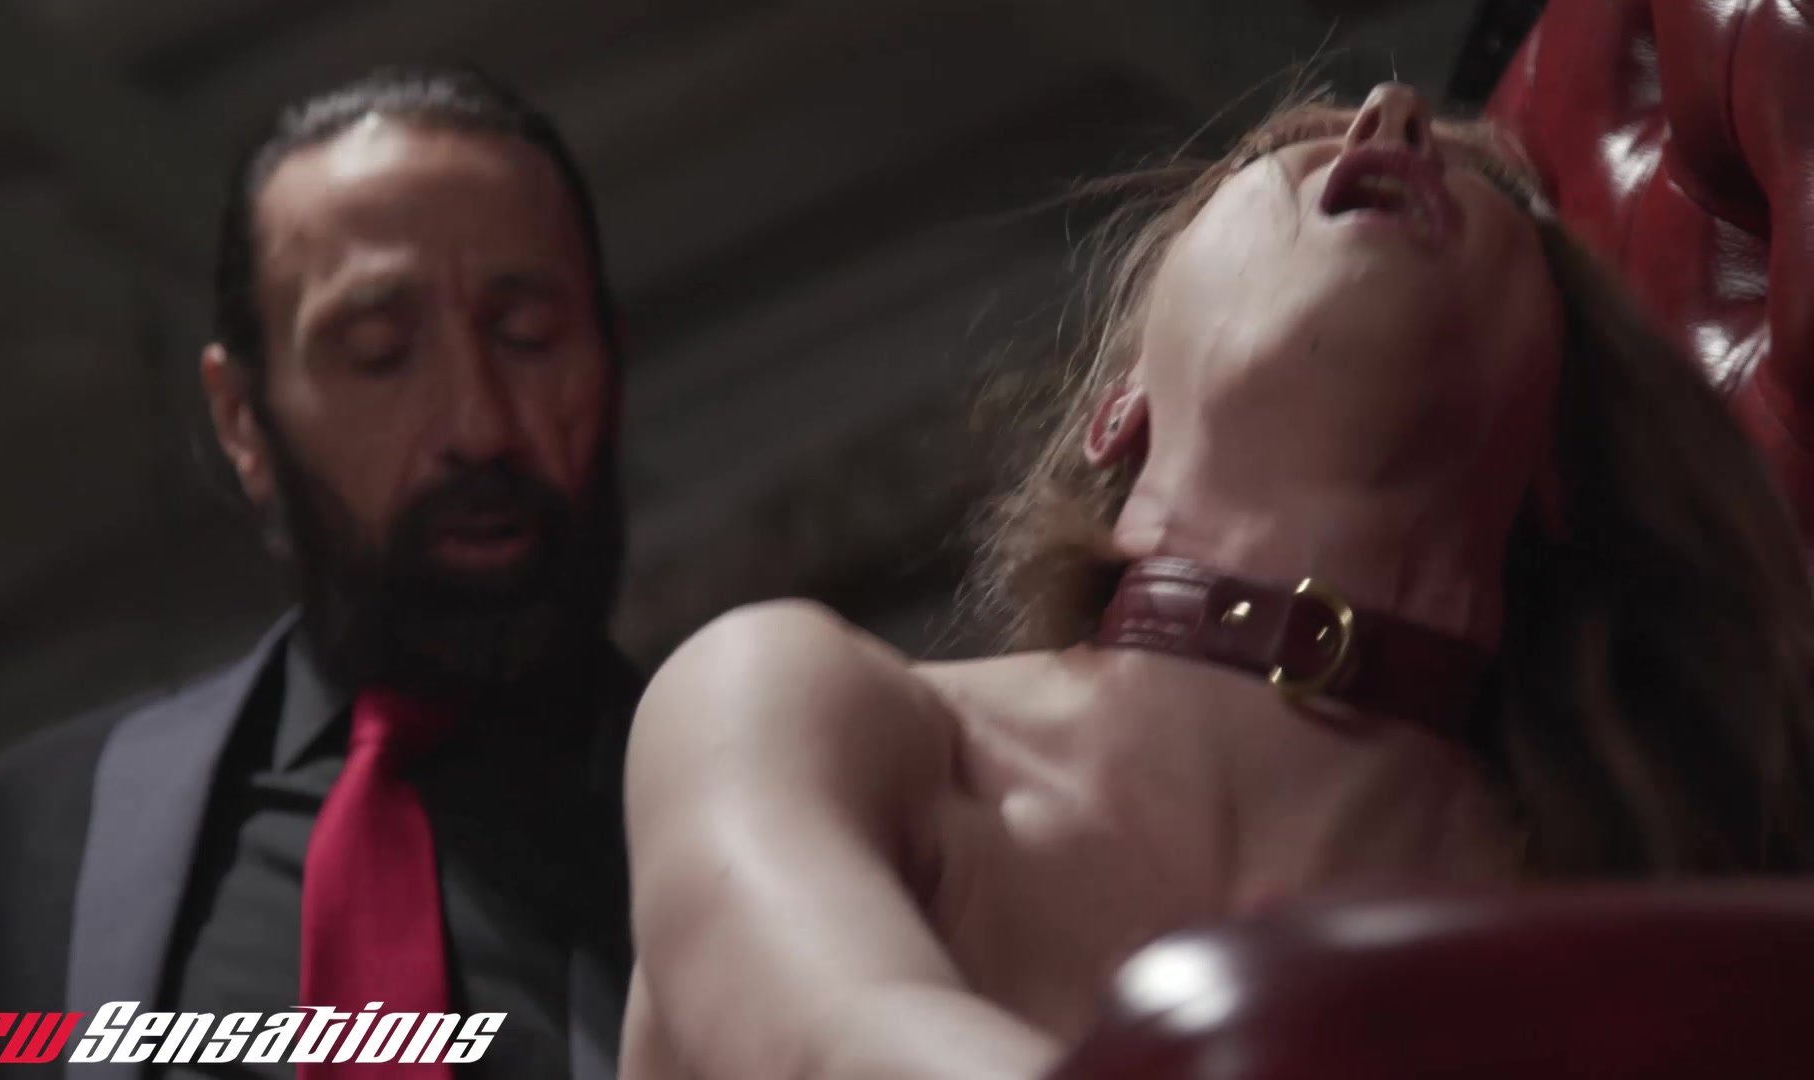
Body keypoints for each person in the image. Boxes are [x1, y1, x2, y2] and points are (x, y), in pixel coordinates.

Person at [620, 83, 1814, 1080]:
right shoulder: (794, 698)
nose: (1390, 113)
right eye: (1286, 149)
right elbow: (830, 1043)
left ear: (1553, 448)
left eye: (1492, 192)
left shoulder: (1610, 943)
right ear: (1118, 406)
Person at [0, 66, 637, 1079]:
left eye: (530, 337)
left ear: (610, 358)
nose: (479, 424)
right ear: (241, 420)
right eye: (380, 354)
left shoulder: (770, 808)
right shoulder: (38, 838)